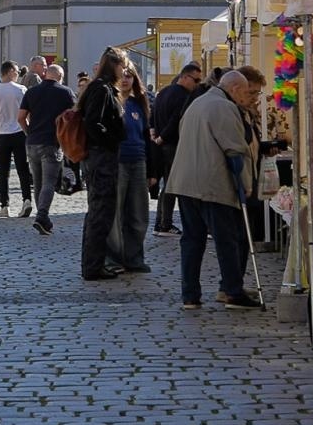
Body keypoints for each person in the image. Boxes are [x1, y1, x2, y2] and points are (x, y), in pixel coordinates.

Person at [163, 68, 267, 308]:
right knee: (227, 238)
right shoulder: (225, 107)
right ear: (234, 89)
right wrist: (246, 185)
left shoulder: (198, 103)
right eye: (245, 93)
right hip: (212, 184)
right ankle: (231, 291)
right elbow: (235, 151)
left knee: (192, 239)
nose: (246, 98)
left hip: (186, 183)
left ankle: (190, 295)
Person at [78, 48, 128, 280]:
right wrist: (110, 140)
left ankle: (93, 264)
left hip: (102, 156)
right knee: (101, 212)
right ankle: (93, 266)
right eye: (122, 66)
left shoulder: (103, 88)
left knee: (99, 211)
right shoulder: (101, 89)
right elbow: (93, 123)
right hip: (101, 158)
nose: (124, 71)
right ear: (113, 66)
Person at [19, 63, 74, 236]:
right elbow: (74, 116)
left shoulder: (32, 91)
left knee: (38, 182)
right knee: (49, 182)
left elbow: (20, 117)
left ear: (46, 75)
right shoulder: (65, 92)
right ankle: (42, 216)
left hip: (33, 141)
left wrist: (29, 132)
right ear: (60, 76)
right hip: (52, 142)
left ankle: (42, 217)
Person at [150, 62, 204, 236]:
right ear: (185, 77)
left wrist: (156, 136)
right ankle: (164, 223)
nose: (196, 84)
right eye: (195, 80)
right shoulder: (183, 96)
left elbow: (153, 116)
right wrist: (161, 137)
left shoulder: (164, 92)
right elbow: (176, 121)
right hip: (172, 144)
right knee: (172, 185)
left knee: (167, 183)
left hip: (162, 144)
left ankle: (161, 222)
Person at [108, 63, 152, 272]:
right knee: (115, 212)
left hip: (138, 161)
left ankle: (134, 258)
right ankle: (114, 259)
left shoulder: (138, 104)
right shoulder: (109, 102)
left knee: (137, 212)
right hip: (117, 161)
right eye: (122, 76)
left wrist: (152, 170)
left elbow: (146, 137)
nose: (126, 80)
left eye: (130, 76)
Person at [0, 60, 33, 218]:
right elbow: (28, 112)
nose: (18, 73)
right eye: (17, 71)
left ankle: (4, 206)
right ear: (10, 71)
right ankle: (27, 199)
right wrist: (28, 130)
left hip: (2, 134)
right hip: (19, 132)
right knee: (22, 169)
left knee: (3, 172)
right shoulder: (21, 89)